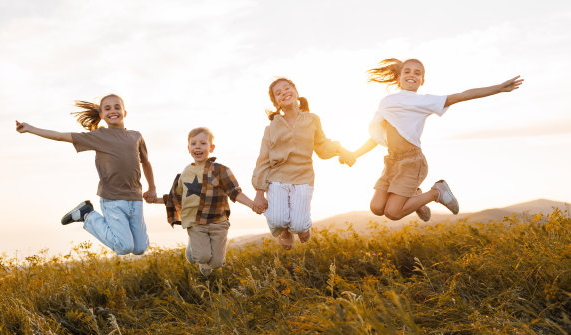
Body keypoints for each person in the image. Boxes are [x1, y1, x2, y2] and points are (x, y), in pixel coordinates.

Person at [342, 58, 523, 221]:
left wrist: (499, 88)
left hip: (412, 162)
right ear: (398, 77)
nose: (412, 75)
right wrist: (355, 154)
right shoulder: (387, 102)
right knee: (376, 208)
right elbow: (376, 136)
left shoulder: (425, 101)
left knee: (393, 213)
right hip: (391, 161)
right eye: (407, 71)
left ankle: (437, 192)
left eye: (417, 73)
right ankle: (416, 197)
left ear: (422, 81)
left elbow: (463, 95)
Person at [15, 94, 156, 255]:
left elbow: (145, 162)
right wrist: (30, 129)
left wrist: (152, 188)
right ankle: (87, 215)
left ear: (124, 112)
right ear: (101, 115)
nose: (113, 111)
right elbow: (61, 136)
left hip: (135, 200)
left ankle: (89, 215)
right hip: (113, 200)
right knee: (124, 247)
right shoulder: (98, 136)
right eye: (107, 108)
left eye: (117, 107)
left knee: (139, 249)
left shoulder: (136, 136)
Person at [252, 78, 354, 250]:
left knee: (299, 225)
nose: (284, 93)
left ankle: (301, 227)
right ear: (276, 102)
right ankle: (283, 231)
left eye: (287, 88)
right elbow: (263, 159)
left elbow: (322, 146)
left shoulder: (312, 120)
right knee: (277, 220)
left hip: (303, 178)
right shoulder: (271, 128)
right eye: (279, 93)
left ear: (296, 91)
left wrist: (340, 149)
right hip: (277, 178)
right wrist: (259, 192)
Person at [155, 127, 257, 276]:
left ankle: (195, 247)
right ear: (189, 148)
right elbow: (175, 197)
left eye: (203, 143)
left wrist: (252, 204)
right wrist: (155, 200)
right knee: (202, 256)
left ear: (211, 148)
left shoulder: (221, 171)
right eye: (194, 143)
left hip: (218, 223)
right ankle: (195, 248)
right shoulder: (185, 173)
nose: (198, 146)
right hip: (196, 223)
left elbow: (235, 192)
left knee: (216, 264)